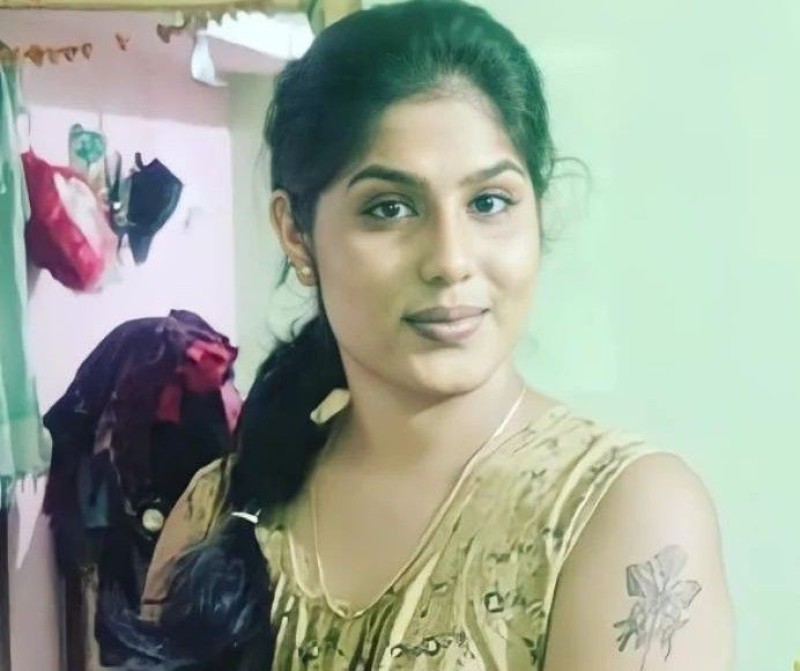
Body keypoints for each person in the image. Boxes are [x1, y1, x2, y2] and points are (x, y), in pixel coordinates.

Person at [113, 1, 736, 669]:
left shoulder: (623, 514)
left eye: (488, 203)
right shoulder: (214, 516)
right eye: (390, 208)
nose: (450, 260)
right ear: (296, 233)